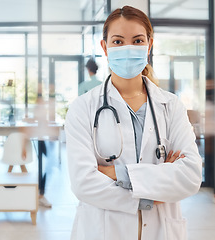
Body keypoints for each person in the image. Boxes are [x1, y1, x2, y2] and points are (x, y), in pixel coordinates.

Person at [65, 6, 202, 240]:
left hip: (162, 230)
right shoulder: (83, 108)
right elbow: (84, 183)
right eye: (118, 42)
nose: (128, 48)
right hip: (103, 230)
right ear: (104, 47)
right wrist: (154, 190)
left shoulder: (171, 106)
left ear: (149, 45)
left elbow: (190, 176)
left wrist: (115, 173)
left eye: (137, 40)